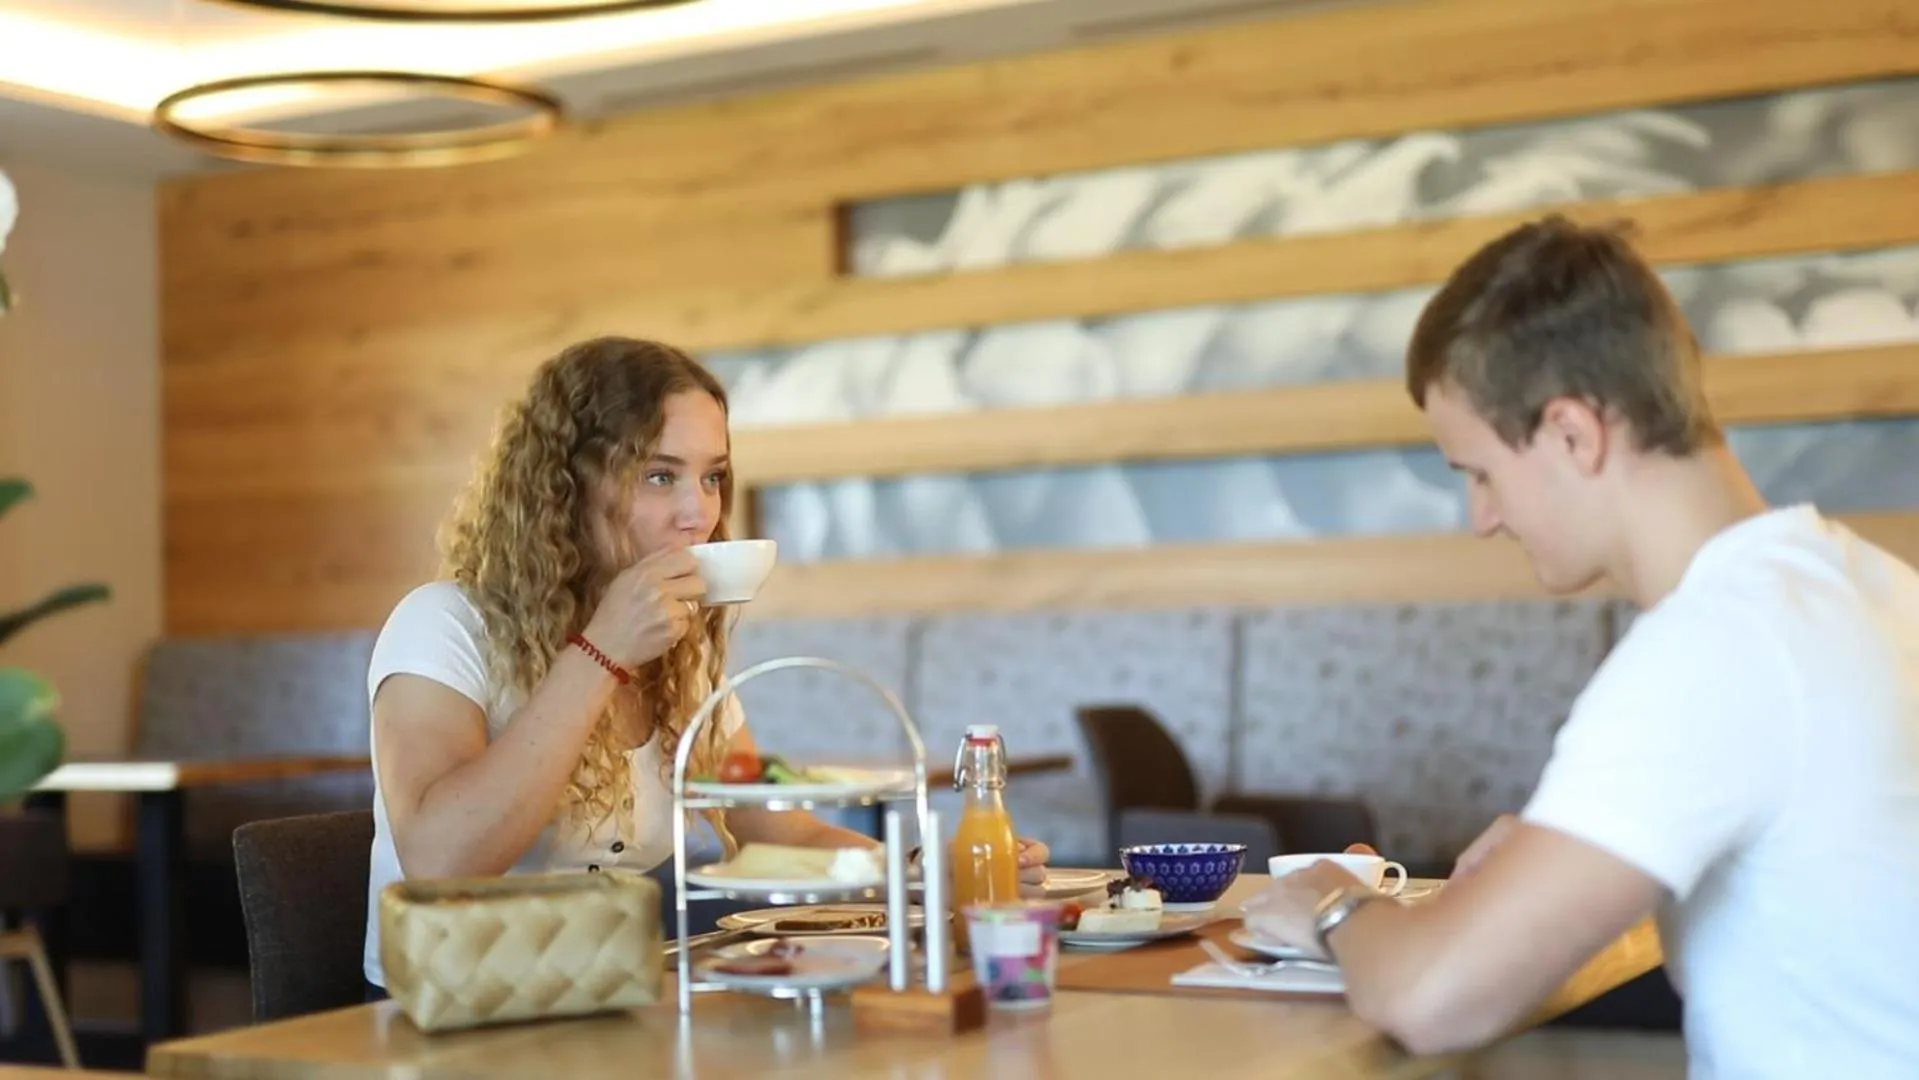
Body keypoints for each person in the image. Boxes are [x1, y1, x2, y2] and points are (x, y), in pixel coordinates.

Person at [1240, 216, 1919, 1076]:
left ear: (1570, 432)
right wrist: (1557, 858)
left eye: (1480, 473)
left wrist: (1335, 911)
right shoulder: (1862, 587)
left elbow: (1432, 999)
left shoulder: (1715, 645)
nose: (1483, 519)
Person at [359, 336, 1049, 996]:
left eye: (712, 477)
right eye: (661, 475)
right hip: (447, 1017)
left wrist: (930, 871)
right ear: (565, 484)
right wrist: (601, 653)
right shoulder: (444, 623)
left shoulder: (676, 657)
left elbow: (780, 834)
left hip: (616, 996)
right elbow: (441, 861)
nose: (700, 513)